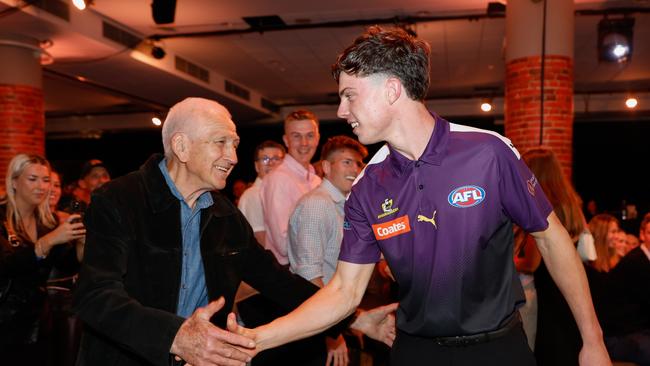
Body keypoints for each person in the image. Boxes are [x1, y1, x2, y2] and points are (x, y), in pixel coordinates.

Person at [227, 26, 610, 366]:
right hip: (415, 351)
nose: (342, 110)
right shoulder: (367, 187)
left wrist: (593, 340)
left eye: (349, 96)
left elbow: (551, 238)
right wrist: (257, 338)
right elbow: (344, 291)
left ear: (392, 90)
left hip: (498, 348)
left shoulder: (487, 153)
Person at [72, 97, 395, 366]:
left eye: (235, 144)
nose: (233, 157)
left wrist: (353, 319)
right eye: (221, 143)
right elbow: (95, 296)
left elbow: (280, 283)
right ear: (181, 147)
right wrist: (175, 335)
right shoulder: (119, 200)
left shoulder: (225, 215)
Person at [287, 135, 367, 366]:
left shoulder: (343, 204)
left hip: (334, 316)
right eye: (347, 162)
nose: (355, 168)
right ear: (326, 167)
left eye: (358, 163)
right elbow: (310, 276)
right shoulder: (317, 204)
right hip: (318, 326)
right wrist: (332, 333)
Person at [0, 154, 85, 365]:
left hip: (38, 323)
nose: (41, 186)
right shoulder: (2, 219)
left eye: (46, 180)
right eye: (32, 179)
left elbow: (66, 266)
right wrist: (48, 241)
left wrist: (82, 240)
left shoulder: (47, 222)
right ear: (14, 182)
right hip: (4, 323)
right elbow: (7, 265)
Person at [513, 147, 593, 365]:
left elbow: (531, 262)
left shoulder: (543, 207)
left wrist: (506, 261)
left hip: (546, 291)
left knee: (547, 351)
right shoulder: (572, 205)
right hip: (568, 289)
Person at [260, 109, 321, 266]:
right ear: (286, 140)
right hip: (290, 273)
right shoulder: (278, 179)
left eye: (309, 135)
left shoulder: (315, 180)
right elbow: (283, 245)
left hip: (314, 268)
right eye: (296, 136)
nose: (304, 143)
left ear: (318, 138)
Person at [238, 140, 285, 246]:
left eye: (276, 158)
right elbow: (261, 240)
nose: (271, 163)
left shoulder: (281, 192)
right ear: (256, 166)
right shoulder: (254, 195)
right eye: (265, 159)